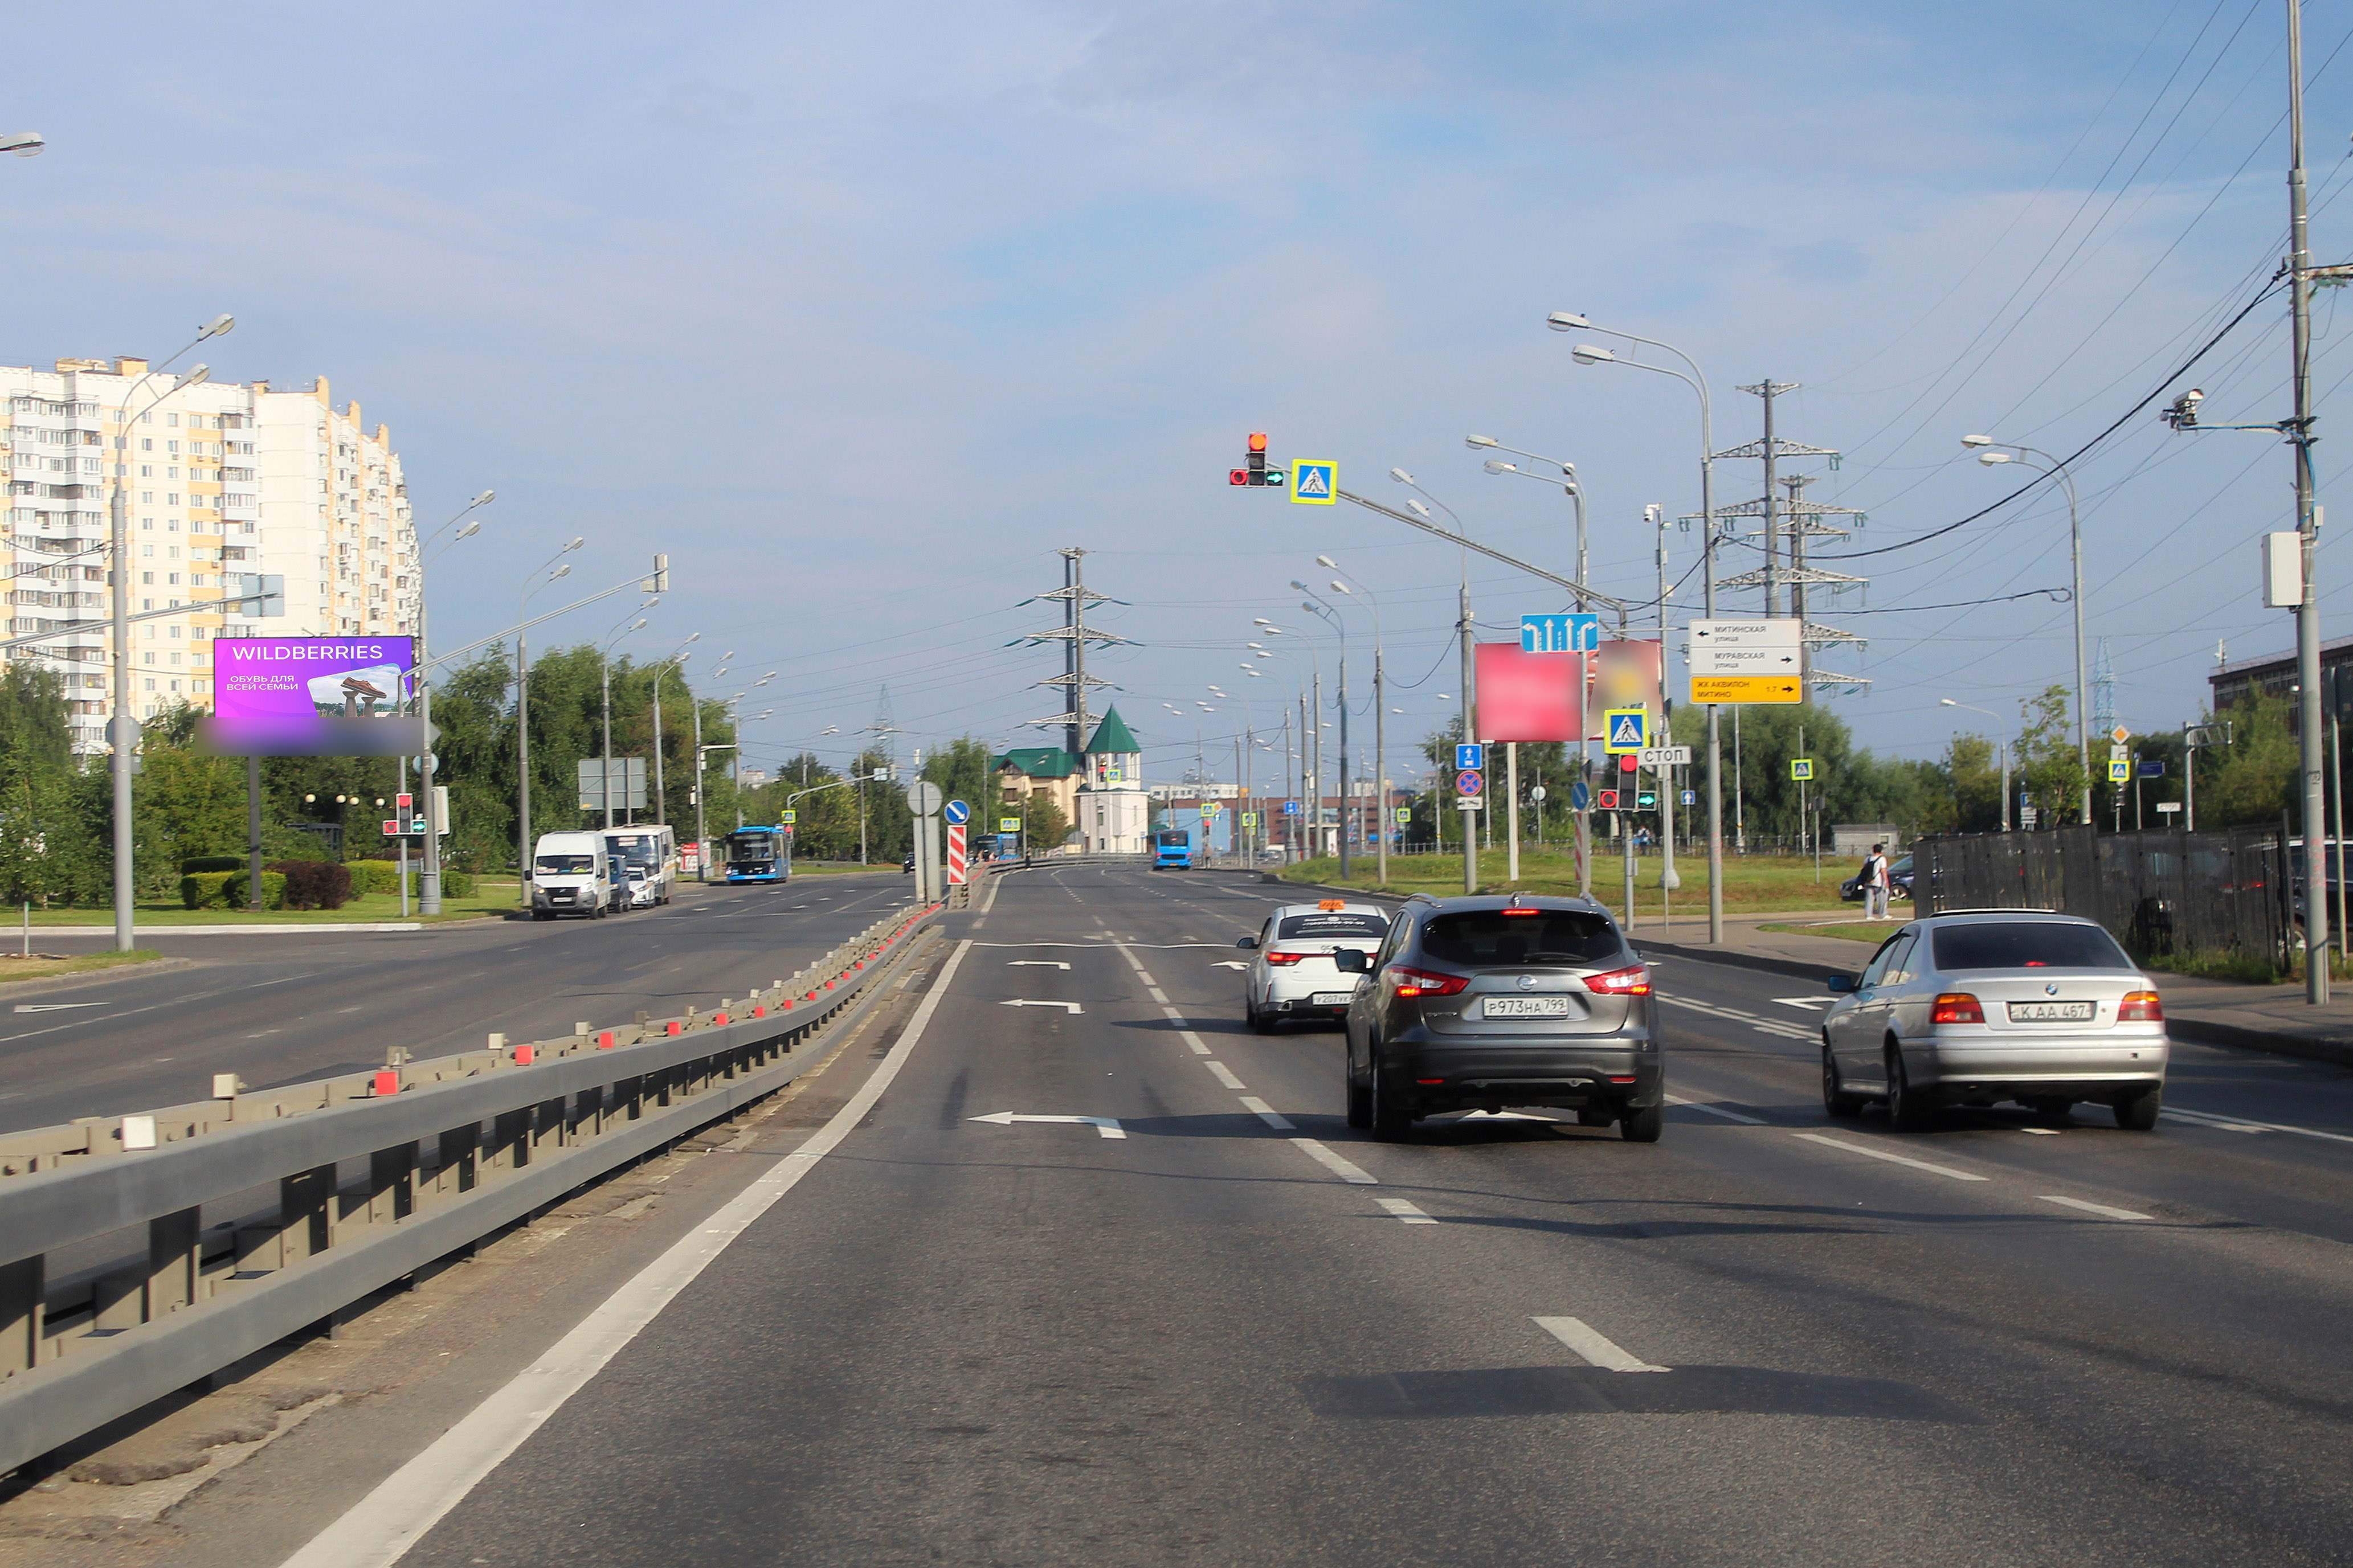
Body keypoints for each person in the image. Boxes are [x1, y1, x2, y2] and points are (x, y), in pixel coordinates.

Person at [1862, 842, 1891, 921]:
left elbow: (1864, 870)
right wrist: (1886, 882)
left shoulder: (1867, 859)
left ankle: (1869, 915)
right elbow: (1883, 871)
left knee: (1869, 899)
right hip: (1878, 881)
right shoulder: (1882, 859)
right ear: (1881, 851)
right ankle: (1883, 914)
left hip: (1868, 881)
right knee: (1882, 899)